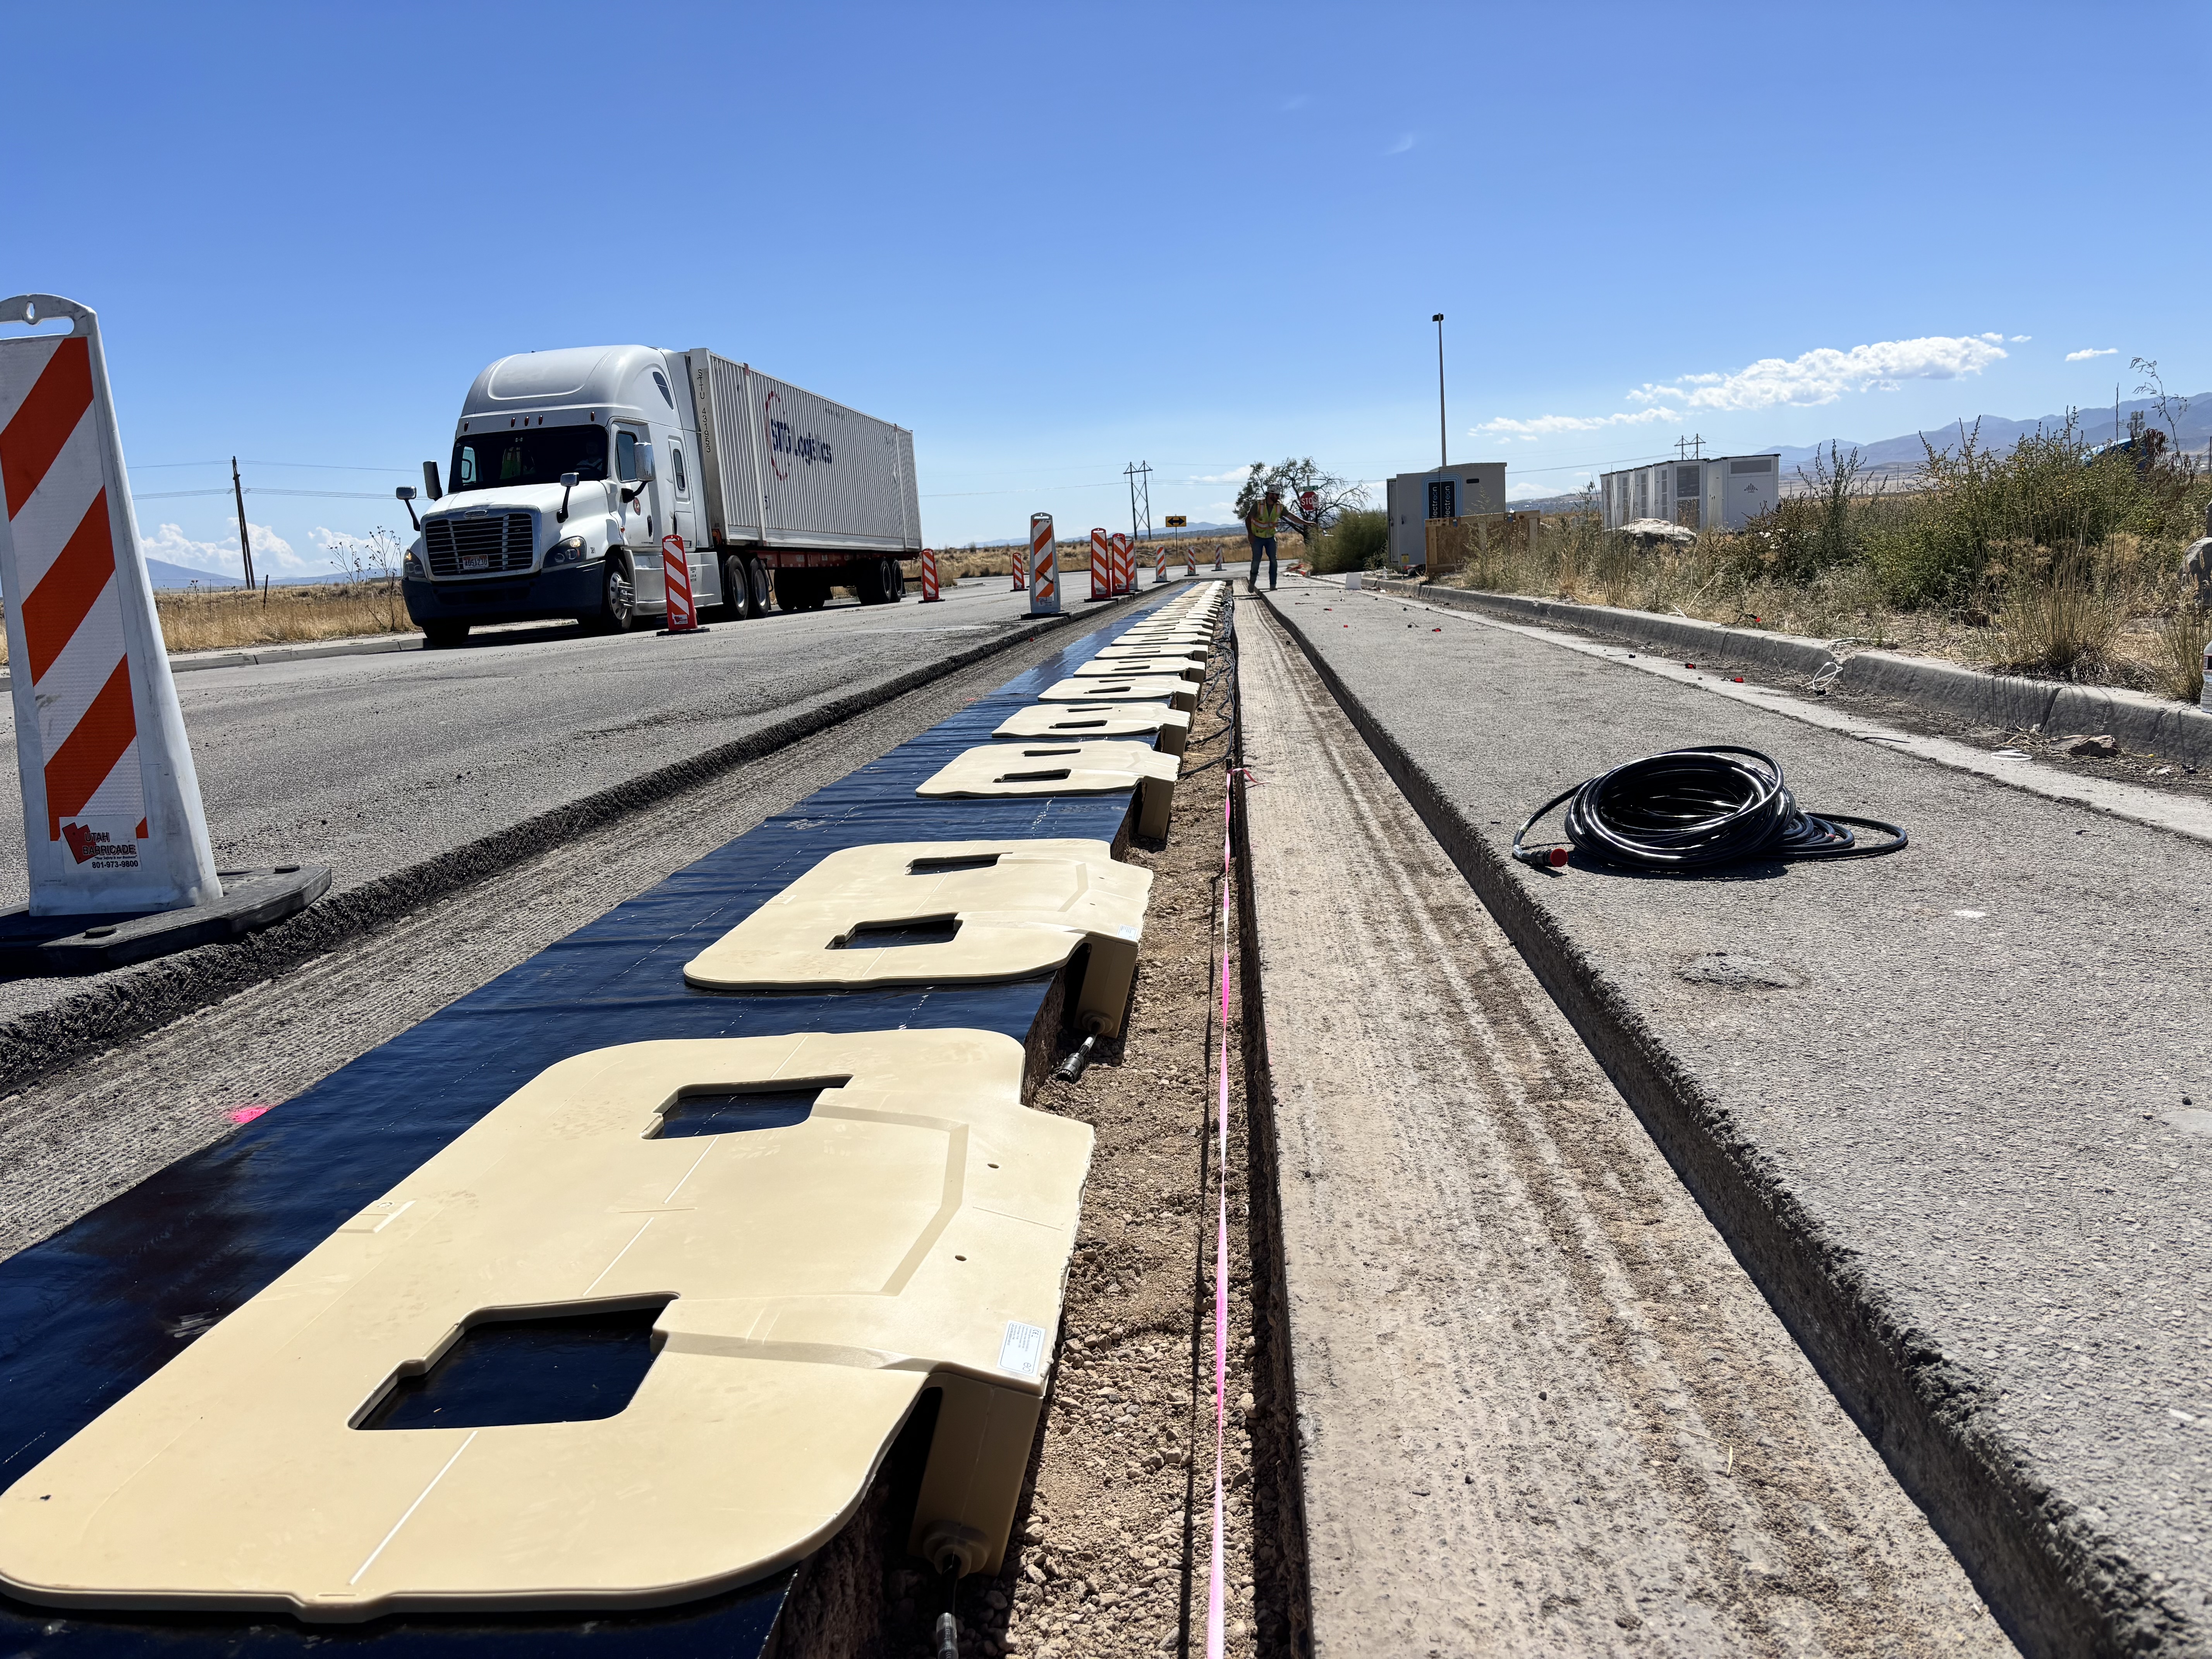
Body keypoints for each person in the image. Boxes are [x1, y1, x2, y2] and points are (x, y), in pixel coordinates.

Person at [1243, 485, 1310, 592]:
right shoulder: (1258, 505)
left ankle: (1273, 585)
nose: (1278, 497)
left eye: (1279, 495)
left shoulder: (1279, 506)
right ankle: (1252, 582)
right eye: (1276, 495)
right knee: (1256, 561)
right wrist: (1250, 534)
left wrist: (1306, 523)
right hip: (1257, 537)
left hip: (1270, 537)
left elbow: (1291, 517)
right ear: (1270, 494)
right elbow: (1248, 519)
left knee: (1274, 560)